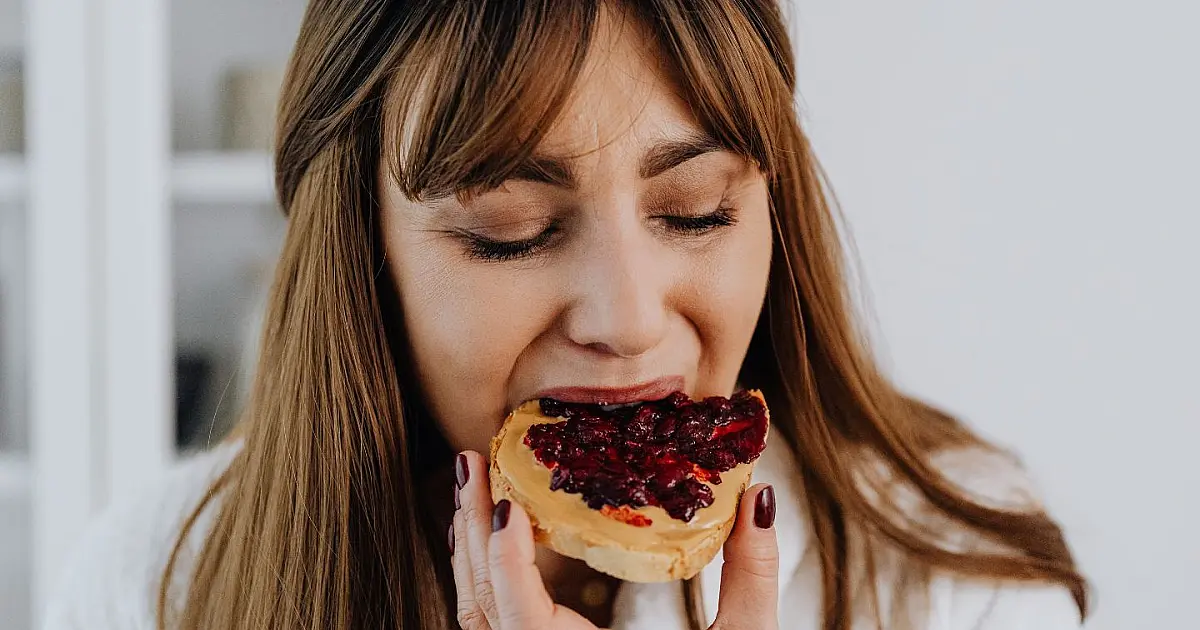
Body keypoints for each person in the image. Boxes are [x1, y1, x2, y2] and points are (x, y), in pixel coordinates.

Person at [43, 1, 1089, 629]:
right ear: (362, 257)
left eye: (696, 212)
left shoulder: (956, 571)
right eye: (510, 230)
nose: (631, 319)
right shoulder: (154, 586)